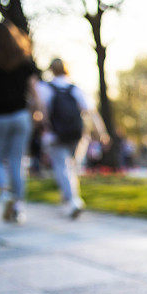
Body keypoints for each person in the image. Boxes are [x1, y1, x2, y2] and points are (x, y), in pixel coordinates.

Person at [37, 58, 109, 219]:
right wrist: (101, 132)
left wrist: (42, 128)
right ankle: (70, 201)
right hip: (77, 135)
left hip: (55, 134)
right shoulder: (75, 89)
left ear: (51, 70)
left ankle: (72, 201)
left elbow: (40, 110)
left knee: (62, 167)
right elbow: (91, 111)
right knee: (72, 167)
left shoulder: (45, 88)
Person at [0, 21, 41, 223]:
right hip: (21, 116)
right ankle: (18, 206)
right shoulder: (25, 61)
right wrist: (40, 111)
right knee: (17, 162)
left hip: (0, 117)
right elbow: (35, 91)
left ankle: (4, 193)